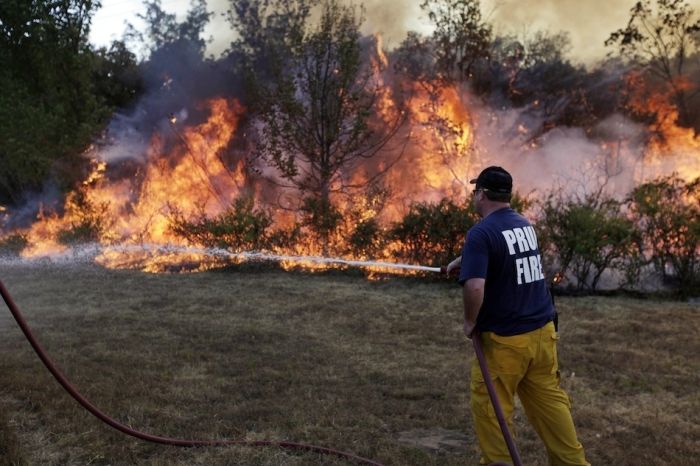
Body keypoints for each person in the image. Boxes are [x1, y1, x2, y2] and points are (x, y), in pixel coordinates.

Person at [449, 166, 589, 466]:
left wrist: (470, 321)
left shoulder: (480, 232)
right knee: (550, 404)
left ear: (482, 194)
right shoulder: (524, 224)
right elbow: (506, 255)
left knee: (492, 411)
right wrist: (467, 260)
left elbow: (475, 287)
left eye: (476, 191)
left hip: (506, 342)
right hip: (542, 335)